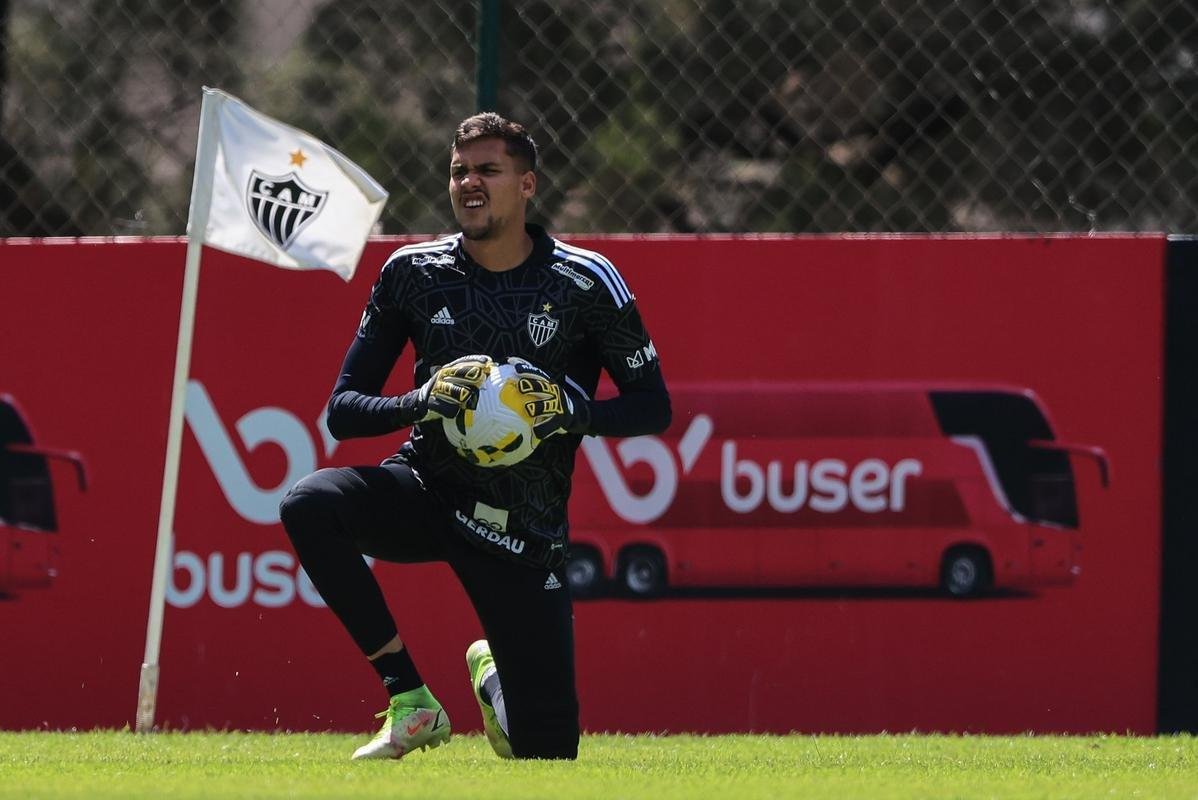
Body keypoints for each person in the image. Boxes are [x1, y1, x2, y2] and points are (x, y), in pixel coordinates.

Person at [278, 112, 671, 761]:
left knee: (544, 756)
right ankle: (410, 700)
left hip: (523, 526)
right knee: (310, 503)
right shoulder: (413, 272)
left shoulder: (585, 281)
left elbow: (653, 407)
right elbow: (343, 412)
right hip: (426, 489)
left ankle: (495, 675)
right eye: (460, 171)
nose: (470, 183)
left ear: (527, 185)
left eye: (488, 170)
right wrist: (420, 400)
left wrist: (576, 412)